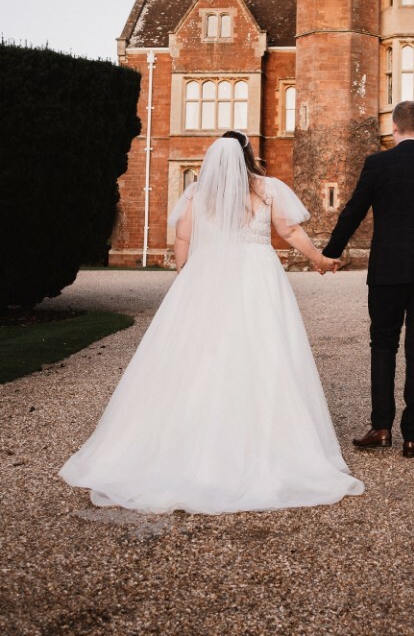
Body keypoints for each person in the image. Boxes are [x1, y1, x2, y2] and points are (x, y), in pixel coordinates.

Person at [59, 133, 364, 514]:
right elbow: (288, 231)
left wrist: (186, 272)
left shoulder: (198, 192)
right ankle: (264, 441)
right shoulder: (267, 188)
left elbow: (183, 235)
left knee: (200, 351)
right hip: (255, 275)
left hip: (208, 272)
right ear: (248, 155)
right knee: (261, 350)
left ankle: (187, 438)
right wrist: (319, 259)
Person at [322, 101, 414, 459]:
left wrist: (331, 252)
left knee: (383, 345)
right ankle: (412, 436)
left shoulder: (378, 163)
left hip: (386, 271)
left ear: (394, 127)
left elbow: (353, 210)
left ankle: (381, 427)